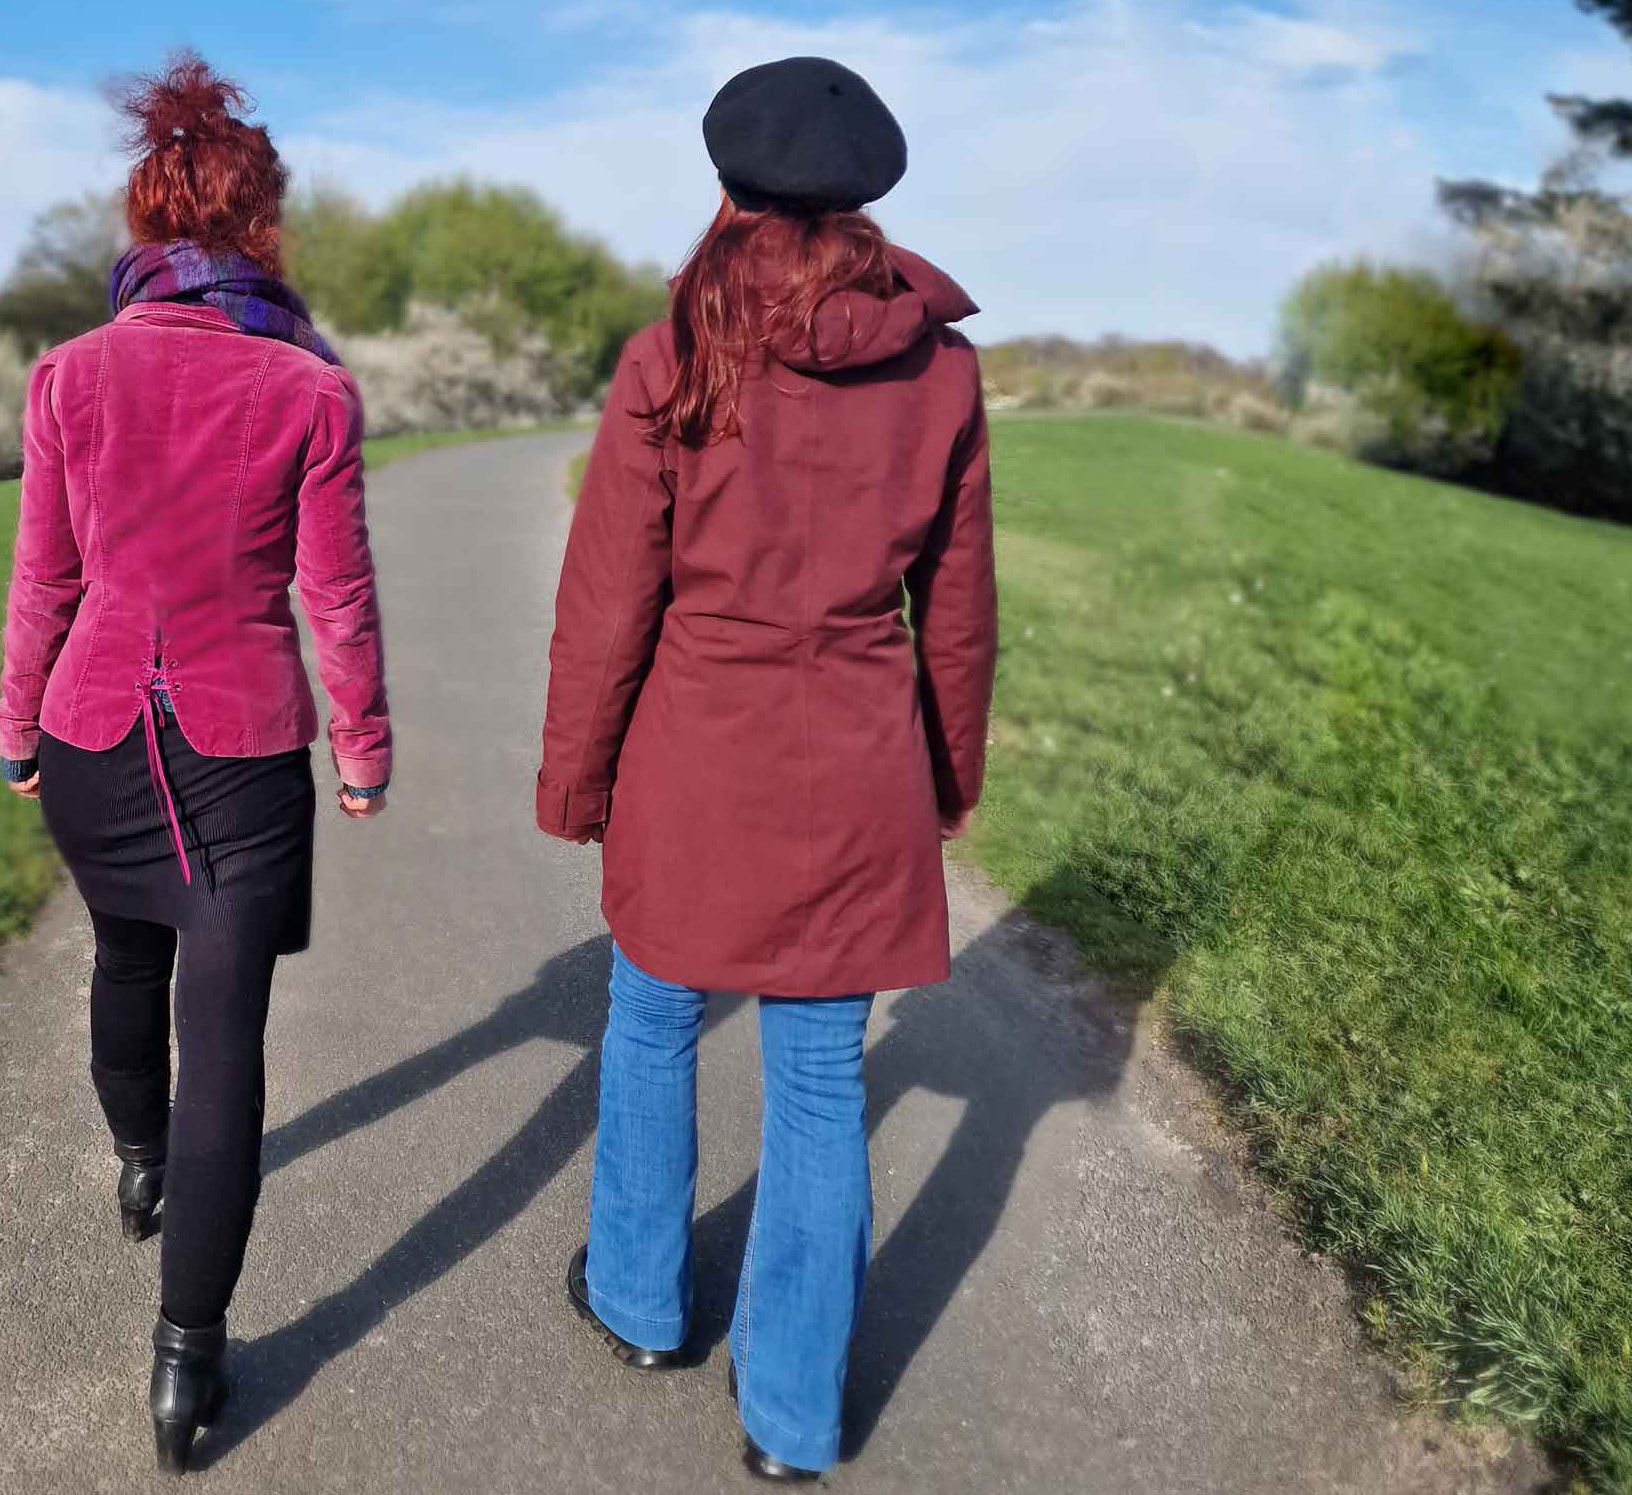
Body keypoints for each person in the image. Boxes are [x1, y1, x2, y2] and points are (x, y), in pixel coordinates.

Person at [537, 56, 997, 1483]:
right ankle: (791, 1414)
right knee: (816, 1080)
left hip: (696, 753)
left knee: (653, 1018)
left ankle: (638, 1300)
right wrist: (946, 778)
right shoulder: (943, 370)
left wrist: (577, 783)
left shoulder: (675, 353)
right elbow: (959, 609)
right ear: (862, 200)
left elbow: (610, 598)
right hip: (855, 764)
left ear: (730, 188)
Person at [0, 51, 390, 1476]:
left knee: (123, 956)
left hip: (92, 732)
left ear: (147, 219)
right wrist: (364, 749)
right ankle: (187, 1360)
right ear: (260, 224)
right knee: (227, 1042)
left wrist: (16, 726)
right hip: (240, 751)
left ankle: (142, 1165)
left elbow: (44, 577)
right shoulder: (309, 390)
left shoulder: (69, 375)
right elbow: (336, 595)